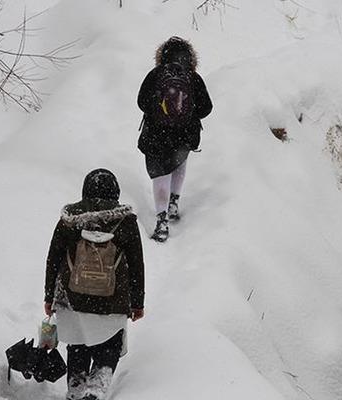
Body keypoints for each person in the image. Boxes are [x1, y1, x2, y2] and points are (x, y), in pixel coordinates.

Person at [44, 169, 145, 400]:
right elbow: (136, 264)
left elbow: (54, 259)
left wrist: (49, 296)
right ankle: (96, 390)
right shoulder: (125, 222)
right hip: (113, 300)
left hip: (72, 298)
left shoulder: (69, 219)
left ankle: (76, 390)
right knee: (109, 346)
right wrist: (137, 302)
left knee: (77, 344)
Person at [137, 36, 213, 242]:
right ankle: (174, 203)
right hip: (184, 135)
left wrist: (159, 111)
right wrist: (187, 114)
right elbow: (207, 108)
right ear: (190, 57)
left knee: (160, 174)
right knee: (178, 161)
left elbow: (141, 102)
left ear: (162, 56)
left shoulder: (155, 75)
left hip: (156, 135)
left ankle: (162, 221)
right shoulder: (193, 78)